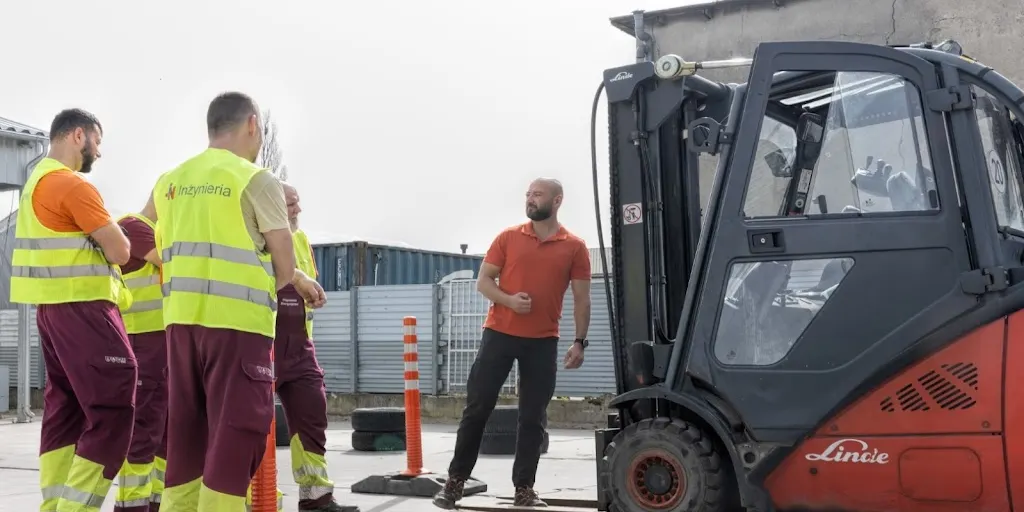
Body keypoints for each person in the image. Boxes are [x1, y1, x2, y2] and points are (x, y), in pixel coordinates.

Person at [151, 91, 327, 511]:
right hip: (237, 328)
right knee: (237, 438)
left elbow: (141, 237)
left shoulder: (170, 180)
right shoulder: (255, 179)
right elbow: (284, 266)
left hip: (179, 328)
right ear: (251, 124)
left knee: (187, 442)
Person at [432, 178, 592, 509]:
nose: (530, 200)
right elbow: (483, 282)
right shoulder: (508, 237)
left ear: (557, 200)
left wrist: (579, 341)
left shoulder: (574, 246)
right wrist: (508, 301)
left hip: (543, 342)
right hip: (499, 336)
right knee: (477, 408)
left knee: (533, 417)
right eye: (528, 195)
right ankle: (455, 482)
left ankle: (524, 489)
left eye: (537, 195)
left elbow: (581, 298)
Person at [10, 108, 137, 512]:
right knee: (115, 401)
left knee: (64, 409)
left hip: (52, 313)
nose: (98, 153)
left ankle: (55, 506)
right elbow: (120, 250)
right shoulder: (71, 185)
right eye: (97, 142)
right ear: (78, 136)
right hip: (84, 310)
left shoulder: (35, 184)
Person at [271, 182, 357, 512]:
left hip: (300, 344)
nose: (297, 210)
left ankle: (315, 496)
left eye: (297, 203)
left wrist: (314, 297)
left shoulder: (302, 239)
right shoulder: (257, 237)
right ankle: (258, 498)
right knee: (253, 424)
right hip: (265, 340)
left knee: (312, 413)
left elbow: (306, 284)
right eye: (291, 204)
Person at [112, 202, 167, 512]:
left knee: (165, 427)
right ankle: (132, 504)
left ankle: (156, 499)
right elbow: (176, 264)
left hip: (162, 343)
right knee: (144, 424)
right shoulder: (136, 226)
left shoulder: (157, 232)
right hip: (142, 341)